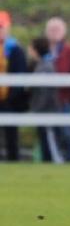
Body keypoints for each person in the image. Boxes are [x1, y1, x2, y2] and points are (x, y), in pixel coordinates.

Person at [45, 17, 70, 162]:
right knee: (47, 134)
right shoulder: (41, 51)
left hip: (64, 100)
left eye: (57, 29)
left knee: (67, 133)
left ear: (64, 31)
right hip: (46, 101)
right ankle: (48, 162)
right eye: (51, 29)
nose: (54, 33)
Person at [29, 38, 63, 162]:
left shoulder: (45, 66)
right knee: (45, 142)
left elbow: (45, 92)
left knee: (51, 141)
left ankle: (57, 165)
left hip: (48, 110)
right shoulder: (41, 64)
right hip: (44, 109)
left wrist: (38, 108)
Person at [0, 11, 28, 161]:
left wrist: (11, 98)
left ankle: (13, 161)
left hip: (9, 100)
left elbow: (20, 74)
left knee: (11, 135)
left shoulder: (14, 49)